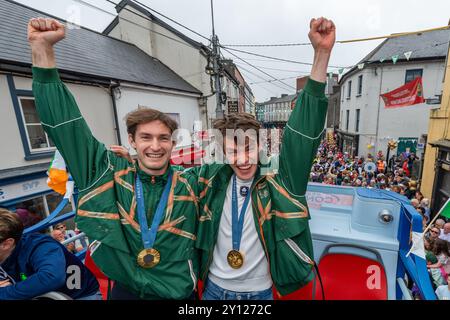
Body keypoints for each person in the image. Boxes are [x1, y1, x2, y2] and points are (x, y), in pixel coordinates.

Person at [28, 17, 200, 300]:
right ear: (132, 140)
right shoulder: (105, 171)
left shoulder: (192, 181)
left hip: (180, 294)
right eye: (146, 137)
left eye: (163, 138)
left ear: (173, 142)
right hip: (126, 291)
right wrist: (42, 50)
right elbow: (66, 126)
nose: (155, 146)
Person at [196, 17, 336, 300]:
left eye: (248, 147)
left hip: (259, 294)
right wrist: (131, 160)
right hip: (212, 290)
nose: (242, 158)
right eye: (233, 150)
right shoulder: (209, 179)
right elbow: (160, 174)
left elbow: (303, 135)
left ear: (262, 144)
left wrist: (321, 55)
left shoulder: (282, 180)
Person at [0, 209, 100, 300]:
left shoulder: (40, 246)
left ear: (7, 243)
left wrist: (5, 292)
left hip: (79, 294)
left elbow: (51, 277)